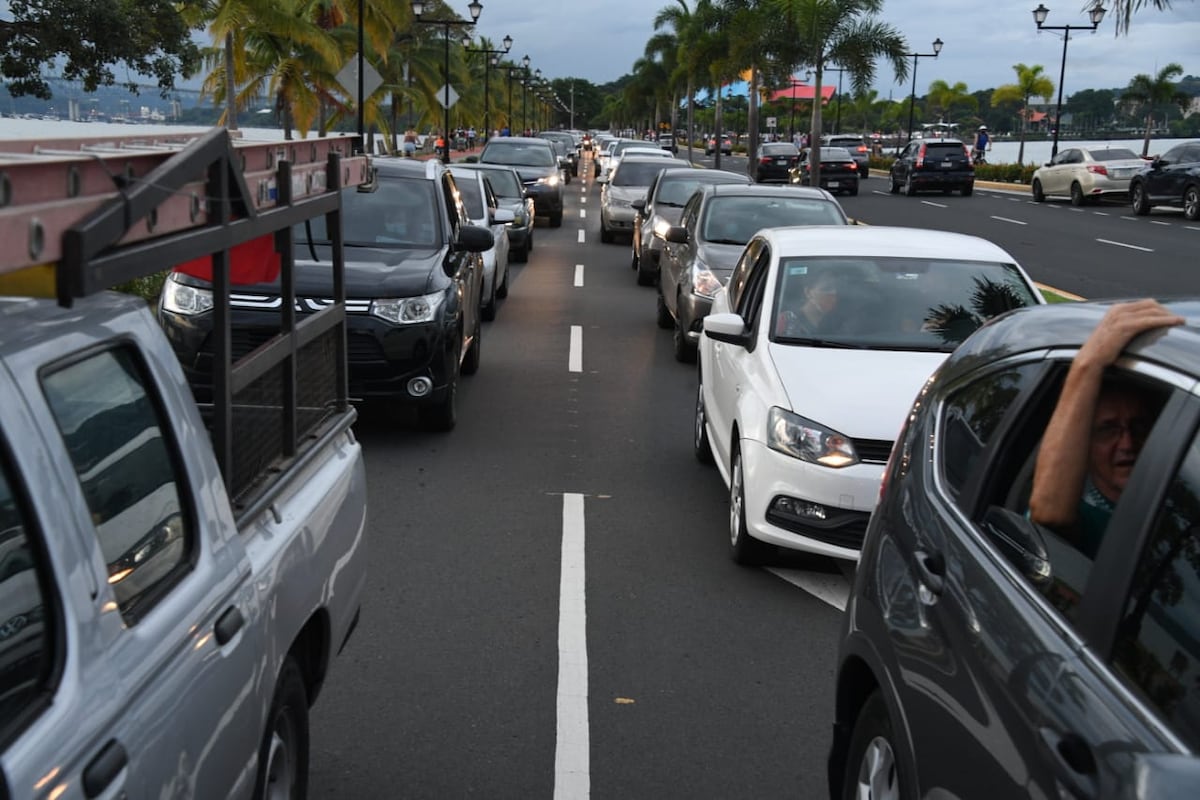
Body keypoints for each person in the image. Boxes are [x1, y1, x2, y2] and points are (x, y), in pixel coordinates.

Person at [1028, 300, 1184, 557]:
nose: (1127, 444)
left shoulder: (1180, 503)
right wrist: (1087, 365)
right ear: (1084, 445)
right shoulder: (1086, 516)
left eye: (1139, 426)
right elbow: (1050, 513)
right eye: (1108, 430)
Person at [776, 269, 840, 337]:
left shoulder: (837, 325)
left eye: (837, 290)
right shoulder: (785, 322)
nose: (833, 293)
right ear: (808, 292)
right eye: (826, 289)